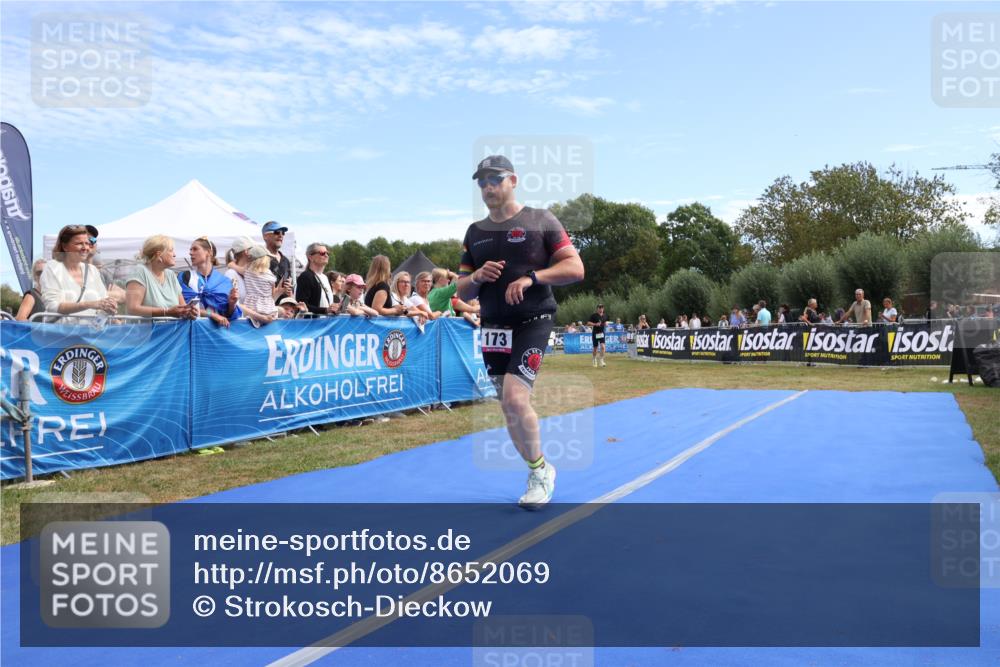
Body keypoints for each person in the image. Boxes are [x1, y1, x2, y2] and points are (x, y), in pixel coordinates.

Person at [457, 154, 584, 509]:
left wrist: (532, 278)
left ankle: (539, 474)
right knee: (509, 407)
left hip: (533, 319)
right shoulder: (475, 233)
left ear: (513, 180)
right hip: (494, 327)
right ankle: (538, 465)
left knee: (515, 398)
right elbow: (461, 291)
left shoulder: (540, 220)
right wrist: (477, 277)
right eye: (481, 182)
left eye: (494, 179)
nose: (487, 188)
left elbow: (575, 267)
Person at [40, 224, 117, 322]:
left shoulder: (92, 270)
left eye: (87, 243)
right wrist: (90, 304)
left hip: (89, 334)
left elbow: (103, 301)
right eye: (79, 243)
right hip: (59, 334)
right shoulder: (52, 267)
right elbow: (53, 306)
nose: (85, 247)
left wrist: (109, 306)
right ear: (65, 246)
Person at [125, 235, 196, 318]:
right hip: (146, 330)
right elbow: (133, 309)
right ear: (159, 255)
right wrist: (167, 312)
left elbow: (182, 306)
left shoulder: (171, 275)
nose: (175, 254)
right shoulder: (139, 271)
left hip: (173, 330)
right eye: (171, 250)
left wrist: (188, 312)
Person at [179, 237, 241, 328]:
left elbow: (228, 315)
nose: (190, 253)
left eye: (195, 249)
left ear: (209, 252)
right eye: (190, 250)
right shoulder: (185, 277)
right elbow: (186, 308)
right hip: (191, 331)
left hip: (216, 334)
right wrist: (212, 315)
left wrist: (232, 304)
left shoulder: (224, 282)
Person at [297, 242, 339, 316]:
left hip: (326, 322)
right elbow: (302, 305)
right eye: (322, 253)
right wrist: (325, 310)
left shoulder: (325, 277)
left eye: (327, 253)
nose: (326, 255)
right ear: (310, 257)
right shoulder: (306, 276)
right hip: (313, 324)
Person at [242, 245, 281, 323]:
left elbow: (234, 266)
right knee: (282, 310)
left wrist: (230, 264)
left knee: (240, 306)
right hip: (268, 309)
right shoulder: (270, 275)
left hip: (251, 307)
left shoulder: (247, 271)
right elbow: (272, 294)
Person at [262, 221, 293, 302]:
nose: (280, 235)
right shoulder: (260, 259)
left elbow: (288, 288)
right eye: (276, 232)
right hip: (266, 309)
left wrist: (289, 290)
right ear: (265, 236)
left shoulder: (285, 260)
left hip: (285, 310)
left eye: (283, 233)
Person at [224, 236, 255, 303]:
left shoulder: (252, 274)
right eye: (254, 249)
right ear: (246, 252)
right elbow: (234, 306)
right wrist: (257, 313)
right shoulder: (231, 274)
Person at [586, 303, 608, 368]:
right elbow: (588, 323)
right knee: (595, 348)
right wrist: (595, 324)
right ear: (597, 309)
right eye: (599, 307)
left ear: (603, 308)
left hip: (602, 333)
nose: (601, 309)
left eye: (602, 307)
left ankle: (601, 360)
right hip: (595, 333)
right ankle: (594, 359)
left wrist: (606, 323)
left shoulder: (605, 315)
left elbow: (606, 322)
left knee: (603, 347)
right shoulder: (594, 315)